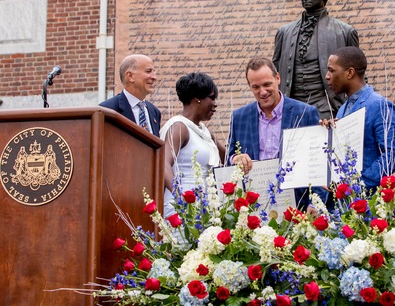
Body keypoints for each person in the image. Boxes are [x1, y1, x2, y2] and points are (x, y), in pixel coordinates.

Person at [227, 57, 327, 211]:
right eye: (256, 87)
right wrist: (235, 158)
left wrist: (315, 204)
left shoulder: (305, 113)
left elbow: (318, 163)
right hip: (254, 208)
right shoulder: (239, 117)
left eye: (267, 84)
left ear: (278, 78)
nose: (263, 92)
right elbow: (229, 158)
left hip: (298, 206)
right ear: (249, 86)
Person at [273, 0, 359, 120]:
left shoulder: (345, 32)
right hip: (291, 110)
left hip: (328, 109)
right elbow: (275, 74)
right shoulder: (284, 33)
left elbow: (358, 77)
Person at [325, 46, 395, 190]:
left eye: (332, 70)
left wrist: (357, 184)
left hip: (372, 203)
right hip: (346, 203)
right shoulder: (342, 110)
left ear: (350, 73)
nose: (327, 76)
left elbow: (391, 155)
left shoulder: (379, 105)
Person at [160, 73, 226, 218]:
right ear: (197, 98)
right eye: (212, 97)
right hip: (183, 210)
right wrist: (181, 199)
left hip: (204, 208)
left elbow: (227, 158)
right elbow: (163, 163)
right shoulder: (179, 127)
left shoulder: (204, 131)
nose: (215, 104)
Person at [100, 54, 161, 136]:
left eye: (154, 71)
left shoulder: (154, 112)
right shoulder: (107, 110)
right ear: (130, 76)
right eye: (148, 71)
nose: (154, 77)